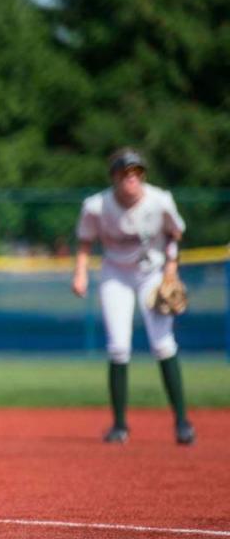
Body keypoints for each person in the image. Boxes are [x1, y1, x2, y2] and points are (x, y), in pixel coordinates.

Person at [71, 148, 195, 445]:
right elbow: (85, 240)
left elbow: (175, 233)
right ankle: (119, 426)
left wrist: (172, 267)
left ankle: (182, 423)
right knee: (118, 347)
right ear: (114, 177)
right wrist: (80, 272)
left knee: (163, 344)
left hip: (152, 274)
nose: (131, 179)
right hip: (116, 274)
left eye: (137, 173)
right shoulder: (96, 207)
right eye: (125, 173)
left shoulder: (160, 200)